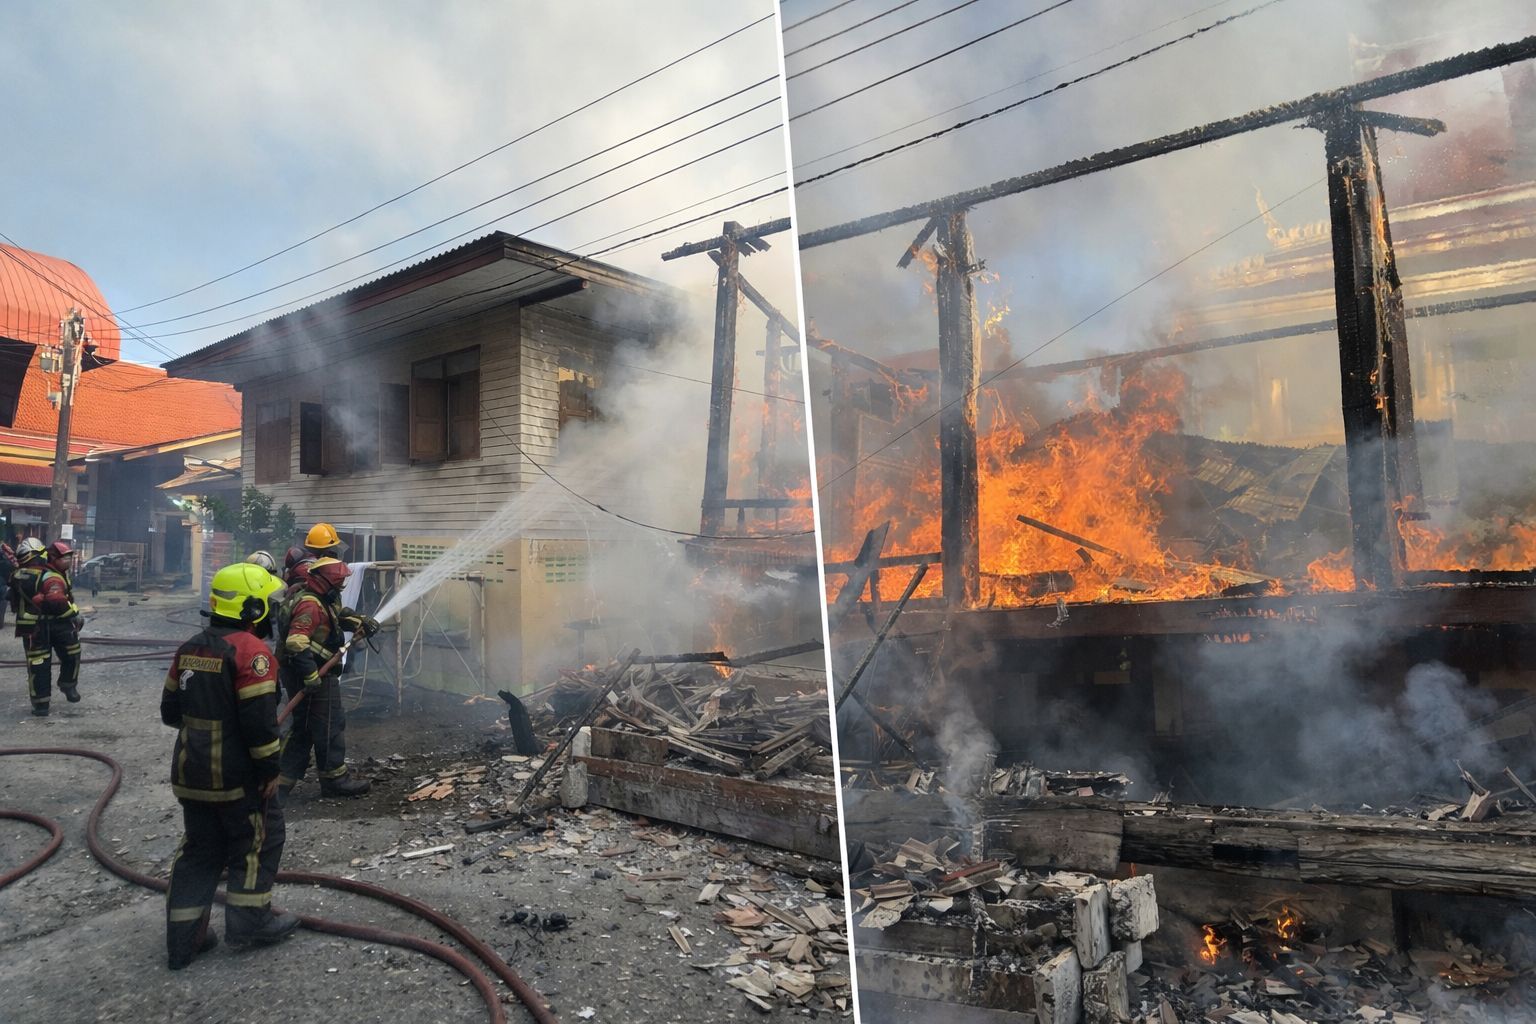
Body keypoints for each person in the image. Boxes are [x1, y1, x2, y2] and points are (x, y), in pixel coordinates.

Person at [161, 562, 299, 969]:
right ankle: (249, 922)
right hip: (235, 779)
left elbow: (170, 711)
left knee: (200, 852)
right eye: (268, 604)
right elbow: (260, 727)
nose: (272, 612)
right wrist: (270, 771)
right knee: (259, 841)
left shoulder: (189, 647)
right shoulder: (252, 653)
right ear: (250, 607)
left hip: (191, 774)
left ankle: (184, 942)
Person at [276, 557, 379, 798]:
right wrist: (310, 675)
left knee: (305, 727)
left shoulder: (318, 598)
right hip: (311, 674)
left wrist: (359, 621)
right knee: (329, 724)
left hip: (306, 671)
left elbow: (336, 615)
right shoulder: (310, 605)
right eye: (338, 582)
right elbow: (296, 641)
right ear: (325, 582)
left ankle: (280, 785)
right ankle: (334, 781)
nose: (341, 587)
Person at [6, 539, 81, 716]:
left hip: (31, 628)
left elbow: (11, 597)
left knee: (38, 665)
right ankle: (67, 686)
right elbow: (58, 603)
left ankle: (41, 705)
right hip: (55, 625)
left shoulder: (16, 575)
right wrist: (75, 614)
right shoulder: (50, 576)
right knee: (71, 654)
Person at [0, 542, 16, 630]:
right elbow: (13, 566)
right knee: (2, 601)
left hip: (2, 581)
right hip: (3, 581)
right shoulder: (6, 553)